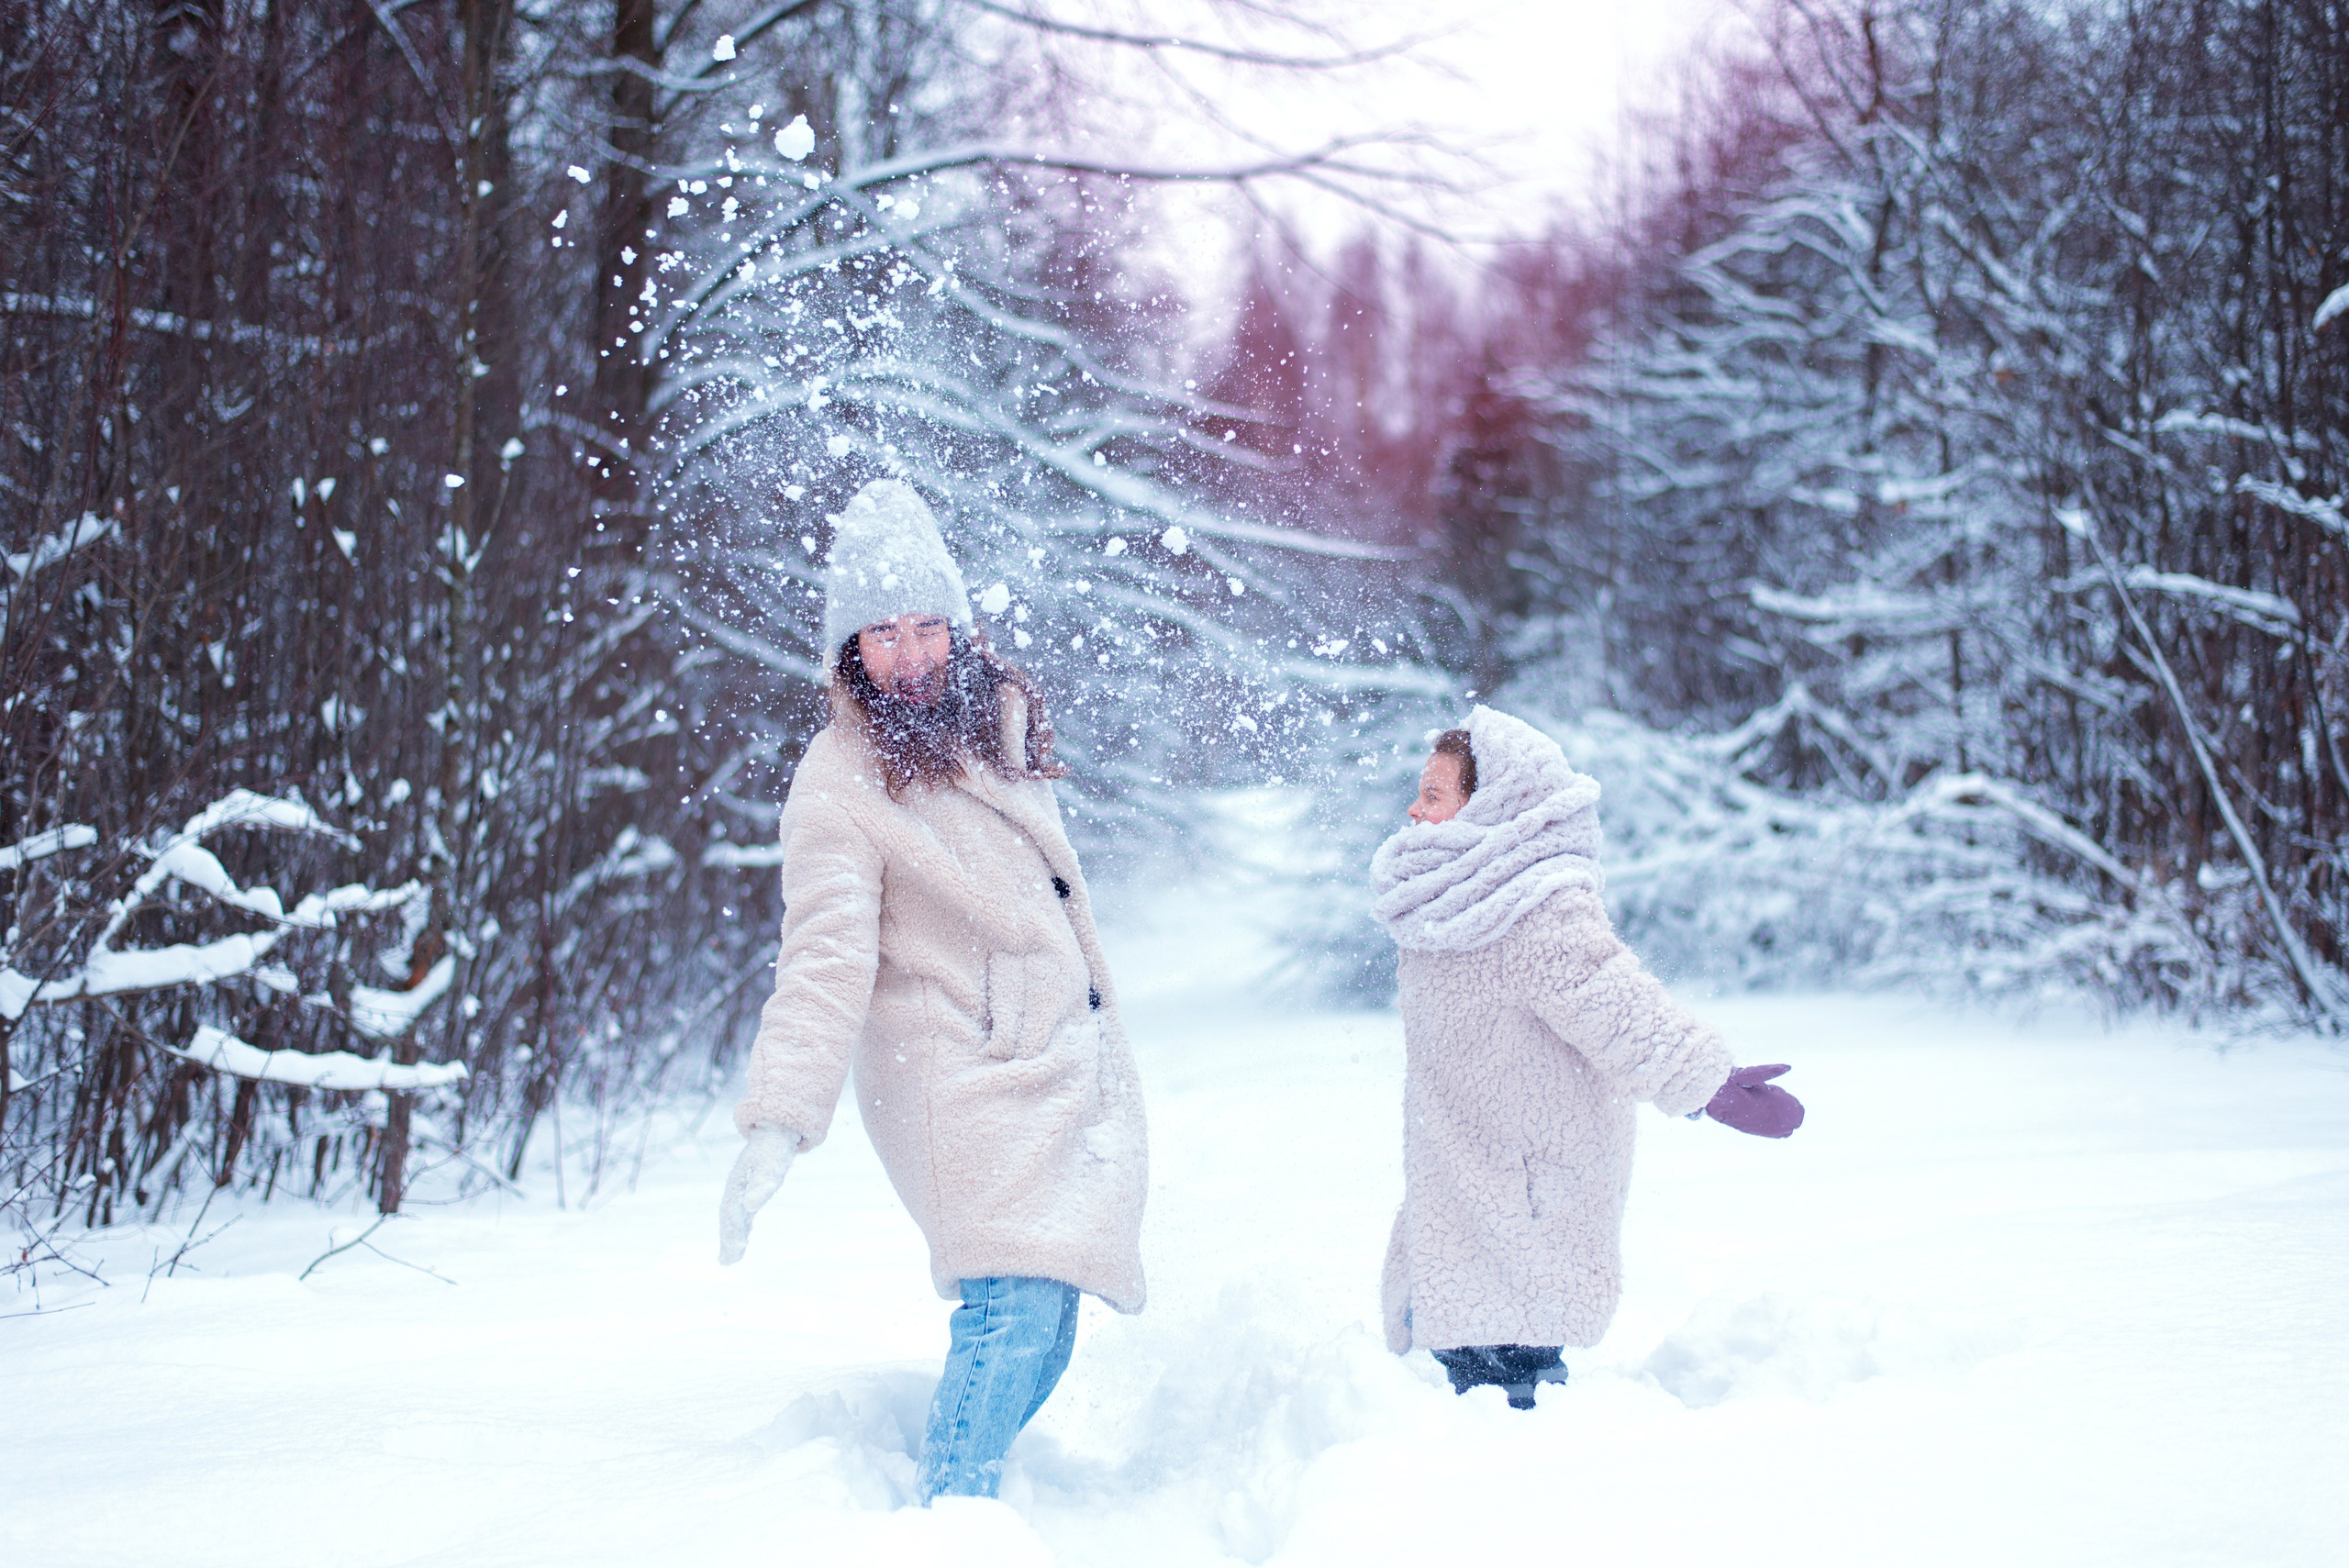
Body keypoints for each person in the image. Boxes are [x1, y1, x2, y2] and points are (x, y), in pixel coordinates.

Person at [716, 478, 1148, 1501]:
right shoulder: (836, 780)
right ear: (847, 649)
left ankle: (963, 1486)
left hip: (1042, 1058)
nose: (908, 656)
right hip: (952, 1070)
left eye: (925, 627)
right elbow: (823, 958)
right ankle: (951, 1515)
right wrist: (779, 1117)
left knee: (1046, 1323)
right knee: (1011, 1310)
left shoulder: (992, 724)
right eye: (880, 633)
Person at [1373, 706, 1802, 1409]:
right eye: (1420, 792)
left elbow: (1618, 1006)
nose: (1414, 811)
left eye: (1435, 795)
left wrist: (1708, 1084)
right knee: (1466, 1381)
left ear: (1493, 810)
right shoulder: (1443, 907)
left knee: (1513, 1398)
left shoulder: (1531, 908)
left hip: (1526, 1201)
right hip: (1457, 1185)